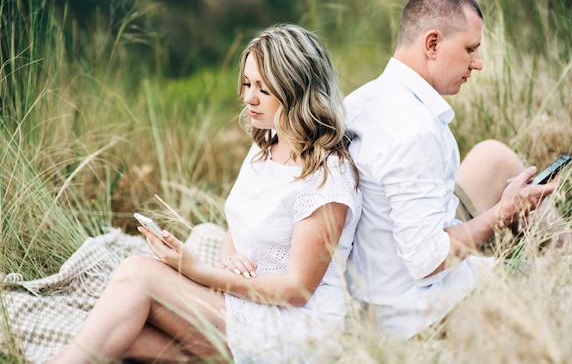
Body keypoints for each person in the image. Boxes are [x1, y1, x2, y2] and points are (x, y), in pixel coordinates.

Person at [49, 24, 361, 363]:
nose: (247, 98)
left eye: (262, 89)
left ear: (296, 91)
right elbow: (237, 226)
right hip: (249, 299)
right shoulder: (266, 147)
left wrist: (200, 272)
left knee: (138, 274)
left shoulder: (326, 178)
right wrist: (229, 259)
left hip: (293, 327)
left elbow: (297, 290)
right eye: (246, 83)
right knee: (128, 331)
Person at [344, 0, 572, 339]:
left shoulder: (362, 100)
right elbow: (426, 261)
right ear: (432, 44)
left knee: (492, 157)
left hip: (378, 282)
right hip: (421, 314)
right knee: (555, 283)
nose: (478, 63)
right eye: (470, 49)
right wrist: (504, 212)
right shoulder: (415, 130)